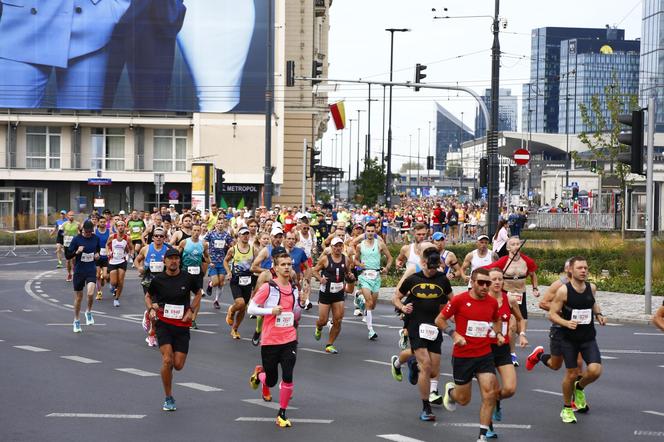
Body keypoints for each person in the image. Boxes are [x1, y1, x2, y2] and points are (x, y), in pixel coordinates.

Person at [526, 257, 606, 424]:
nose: (583, 270)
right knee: (561, 368)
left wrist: (598, 314)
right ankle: (567, 407)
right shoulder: (562, 289)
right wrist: (565, 321)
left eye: (585, 267)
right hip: (565, 335)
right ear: (570, 269)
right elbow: (550, 311)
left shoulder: (592, 287)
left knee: (595, 371)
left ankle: (579, 388)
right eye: (580, 268)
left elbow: (592, 302)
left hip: (587, 336)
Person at [436, 268, 504, 442]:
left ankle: (482, 436)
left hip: (484, 354)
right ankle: (451, 392)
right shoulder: (460, 300)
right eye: (481, 282)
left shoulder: (492, 302)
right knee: (464, 400)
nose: (484, 286)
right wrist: (453, 334)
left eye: (487, 283)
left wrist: (497, 334)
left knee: (490, 393)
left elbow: (497, 319)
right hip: (463, 356)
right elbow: (439, 320)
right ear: (472, 282)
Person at [391, 247, 453, 422]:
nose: (432, 270)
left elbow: (452, 301)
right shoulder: (412, 279)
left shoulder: (442, 280)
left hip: (435, 326)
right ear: (423, 262)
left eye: (435, 267)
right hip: (416, 325)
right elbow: (395, 297)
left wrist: (454, 318)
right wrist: (403, 307)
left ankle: (409, 362)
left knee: (433, 370)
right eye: (429, 266)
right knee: (425, 365)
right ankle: (425, 407)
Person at [248, 251, 302, 428]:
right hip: (271, 341)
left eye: (289, 264)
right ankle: (260, 375)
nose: (287, 267)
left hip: (289, 339)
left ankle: (282, 412)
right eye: (283, 264)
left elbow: (295, 314)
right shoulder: (268, 288)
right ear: (275, 268)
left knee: (288, 376)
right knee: (271, 380)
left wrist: (301, 304)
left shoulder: (294, 289)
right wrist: (270, 311)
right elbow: (251, 308)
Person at [145, 248, 203, 411]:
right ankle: (168, 397)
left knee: (177, 365)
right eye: (170, 258)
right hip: (163, 323)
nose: (173, 261)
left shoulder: (187, 278)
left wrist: (191, 309)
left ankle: (169, 369)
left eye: (176, 258)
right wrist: (150, 309)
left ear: (179, 261)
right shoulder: (158, 279)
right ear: (165, 261)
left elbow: (199, 293)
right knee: (167, 360)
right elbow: (148, 295)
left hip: (182, 326)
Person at [485, 268, 528, 438]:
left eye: (500, 279)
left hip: (502, 350)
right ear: (488, 282)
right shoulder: (482, 299)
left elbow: (520, 318)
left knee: (509, 389)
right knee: (489, 389)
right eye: (493, 279)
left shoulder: (509, 299)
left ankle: (497, 401)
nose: (497, 282)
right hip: (485, 349)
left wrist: (522, 334)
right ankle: (488, 426)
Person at [483, 236, 538, 367]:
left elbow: (533, 274)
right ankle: (510, 353)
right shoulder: (503, 261)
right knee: (510, 325)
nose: (516, 246)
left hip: (520, 294)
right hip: (507, 293)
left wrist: (535, 288)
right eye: (512, 244)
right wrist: (476, 276)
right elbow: (489, 269)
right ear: (508, 248)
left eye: (517, 244)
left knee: (521, 322)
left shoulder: (526, 260)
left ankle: (520, 338)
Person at [311, 237, 355, 354]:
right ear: (331, 247)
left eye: (340, 246)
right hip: (326, 293)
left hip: (339, 293)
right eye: (336, 246)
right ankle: (318, 327)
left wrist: (350, 277)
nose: (338, 248)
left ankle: (329, 344)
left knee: (338, 320)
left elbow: (348, 272)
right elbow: (314, 271)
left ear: (342, 247)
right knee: (323, 320)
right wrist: (320, 279)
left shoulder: (346, 260)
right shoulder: (325, 259)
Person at [354, 222, 393, 340]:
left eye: (372, 231)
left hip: (376, 276)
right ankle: (371, 330)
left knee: (373, 305)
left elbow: (390, 258)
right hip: (365, 276)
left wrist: (386, 268)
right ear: (365, 232)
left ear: (375, 232)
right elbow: (355, 260)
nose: (370, 233)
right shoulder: (360, 246)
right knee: (369, 302)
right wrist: (360, 264)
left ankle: (359, 296)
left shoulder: (380, 244)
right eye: (368, 231)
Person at [135, 227, 171, 347]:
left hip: (163, 282)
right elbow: (137, 260)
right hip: (148, 281)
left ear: (164, 238)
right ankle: (151, 335)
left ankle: (148, 315)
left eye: (161, 236)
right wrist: (139, 267)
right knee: (154, 308)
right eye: (156, 236)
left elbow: (174, 264)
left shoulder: (168, 250)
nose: (159, 238)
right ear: (153, 237)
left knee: (160, 309)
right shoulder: (146, 249)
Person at [66, 220, 101, 333]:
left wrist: (97, 255)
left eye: (90, 232)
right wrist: (77, 252)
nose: (88, 234)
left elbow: (98, 251)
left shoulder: (95, 238)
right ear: (82, 230)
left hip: (91, 270)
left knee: (90, 293)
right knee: (79, 298)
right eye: (86, 232)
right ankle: (76, 321)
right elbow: (67, 255)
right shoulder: (76, 239)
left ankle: (88, 312)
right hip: (79, 271)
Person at [224, 226, 255, 339]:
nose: (246, 236)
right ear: (239, 236)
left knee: (243, 308)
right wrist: (228, 272)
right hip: (236, 279)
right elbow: (225, 261)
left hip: (248, 280)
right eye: (243, 234)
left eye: (247, 234)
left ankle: (235, 329)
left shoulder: (252, 249)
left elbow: (256, 263)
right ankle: (231, 310)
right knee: (240, 303)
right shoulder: (233, 249)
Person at [177, 223, 209, 330]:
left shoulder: (203, 244)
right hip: (185, 271)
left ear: (200, 232)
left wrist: (205, 270)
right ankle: (182, 315)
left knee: (198, 295)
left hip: (197, 272)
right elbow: (177, 256)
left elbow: (206, 258)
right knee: (183, 294)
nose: (196, 233)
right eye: (194, 230)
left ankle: (194, 319)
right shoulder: (184, 242)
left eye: (198, 230)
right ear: (191, 231)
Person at [205, 218, 234, 309]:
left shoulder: (226, 235)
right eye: (219, 223)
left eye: (222, 223)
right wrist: (208, 259)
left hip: (222, 261)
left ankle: (216, 300)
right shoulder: (210, 234)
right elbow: (204, 244)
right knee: (215, 282)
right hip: (213, 261)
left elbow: (232, 245)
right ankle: (210, 285)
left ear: (224, 224)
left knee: (221, 283)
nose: (220, 224)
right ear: (216, 224)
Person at [107, 220, 132, 307]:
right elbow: (107, 245)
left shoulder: (127, 238)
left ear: (124, 227)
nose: (121, 227)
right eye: (119, 226)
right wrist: (108, 251)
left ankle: (116, 299)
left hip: (122, 261)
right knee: (114, 282)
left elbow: (131, 248)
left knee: (121, 282)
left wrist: (130, 253)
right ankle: (112, 285)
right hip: (113, 261)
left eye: (122, 226)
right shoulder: (112, 236)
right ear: (116, 227)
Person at [94, 216, 110, 301]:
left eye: (104, 222)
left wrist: (110, 251)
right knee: (97, 276)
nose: (103, 223)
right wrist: (94, 252)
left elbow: (111, 242)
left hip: (106, 256)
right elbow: (92, 242)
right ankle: (99, 293)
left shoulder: (109, 231)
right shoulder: (95, 231)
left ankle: (105, 278)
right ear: (98, 223)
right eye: (101, 222)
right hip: (97, 256)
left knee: (104, 275)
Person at [62, 211, 81, 282]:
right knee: (67, 261)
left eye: (72, 215)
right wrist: (61, 244)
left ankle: (74, 272)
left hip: (74, 244)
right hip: (66, 244)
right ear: (67, 216)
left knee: (74, 259)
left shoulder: (77, 224)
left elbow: (81, 233)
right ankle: (69, 273)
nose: (71, 217)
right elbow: (60, 234)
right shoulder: (64, 224)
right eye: (70, 215)